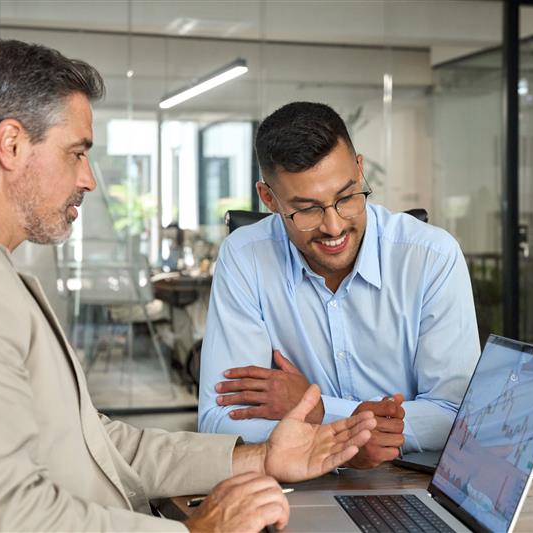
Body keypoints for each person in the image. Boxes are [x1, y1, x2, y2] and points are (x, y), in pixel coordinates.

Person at [0, 41, 376, 532]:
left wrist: (260, 458)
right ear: (11, 144)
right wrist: (194, 531)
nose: (88, 179)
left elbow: (98, 447)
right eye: (76, 152)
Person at [198, 102, 481, 469]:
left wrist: (319, 412)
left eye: (346, 197)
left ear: (359, 169)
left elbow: (457, 415)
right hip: (295, 483)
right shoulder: (245, 257)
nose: (333, 227)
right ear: (269, 199)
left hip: (407, 481)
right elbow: (221, 423)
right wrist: (349, 436)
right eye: (308, 209)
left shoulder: (431, 257)